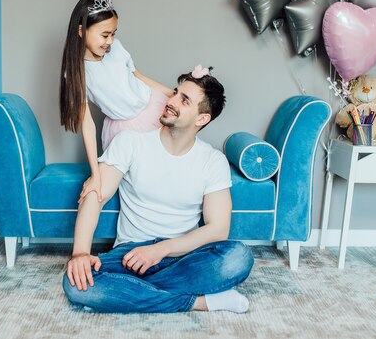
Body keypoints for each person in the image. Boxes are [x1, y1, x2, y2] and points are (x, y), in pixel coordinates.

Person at [62, 67, 254, 314]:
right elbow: (95, 194)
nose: (171, 101)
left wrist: (161, 250)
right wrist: (80, 253)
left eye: (184, 100)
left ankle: (129, 293)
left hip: (181, 256)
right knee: (75, 284)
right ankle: (197, 302)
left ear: (201, 119)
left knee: (239, 257)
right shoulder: (130, 142)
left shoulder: (212, 161)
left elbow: (218, 229)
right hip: (130, 255)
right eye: (175, 93)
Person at [60, 0, 173, 203]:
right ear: (82, 31)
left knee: (169, 163)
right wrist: (95, 174)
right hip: (124, 127)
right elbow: (87, 124)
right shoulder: (77, 72)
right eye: (105, 35)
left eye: (114, 33)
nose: (110, 41)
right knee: (142, 176)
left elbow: (138, 76)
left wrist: (172, 94)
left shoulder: (117, 48)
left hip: (152, 107)